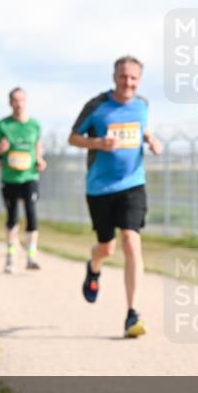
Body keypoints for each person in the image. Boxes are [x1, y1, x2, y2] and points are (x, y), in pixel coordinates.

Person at [68, 56, 162, 338]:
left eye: (133, 78)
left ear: (139, 80)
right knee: (106, 248)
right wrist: (97, 142)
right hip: (99, 188)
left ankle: (132, 313)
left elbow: (140, 126)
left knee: (132, 242)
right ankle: (93, 266)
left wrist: (150, 138)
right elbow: (73, 137)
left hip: (133, 184)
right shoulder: (97, 106)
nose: (128, 82)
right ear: (114, 77)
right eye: (124, 77)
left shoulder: (142, 104)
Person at [0, 87, 47, 273]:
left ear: (26, 101)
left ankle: (31, 255)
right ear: (10, 102)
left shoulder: (35, 124)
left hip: (29, 176)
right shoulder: (3, 125)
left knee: (31, 214)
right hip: (10, 177)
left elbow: (38, 147)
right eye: (15, 100)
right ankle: (11, 257)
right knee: (12, 217)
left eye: (21, 99)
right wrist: (0, 150)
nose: (18, 103)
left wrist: (40, 160)